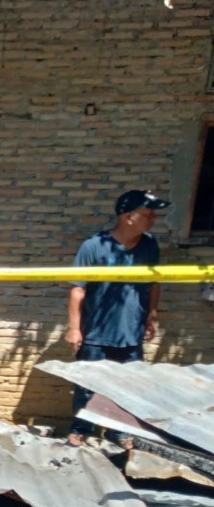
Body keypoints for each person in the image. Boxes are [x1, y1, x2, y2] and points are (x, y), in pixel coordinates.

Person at [65, 190, 169, 446]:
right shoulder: (94, 245)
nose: (153, 218)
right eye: (147, 213)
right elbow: (78, 289)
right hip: (96, 332)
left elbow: (153, 283)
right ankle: (80, 430)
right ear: (128, 217)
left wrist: (151, 316)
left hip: (131, 331)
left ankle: (118, 432)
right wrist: (74, 328)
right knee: (87, 384)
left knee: (127, 386)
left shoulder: (149, 244)